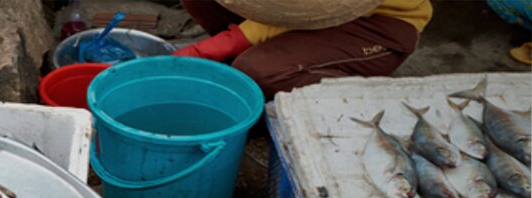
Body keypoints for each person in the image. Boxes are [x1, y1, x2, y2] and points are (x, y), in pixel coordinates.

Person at [174, 0, 432, 97]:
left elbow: (300, 11)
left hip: (377, 25)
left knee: (257, 69)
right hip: (299, 12)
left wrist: (227, 42)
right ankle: (273, 72)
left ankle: (362, 99)